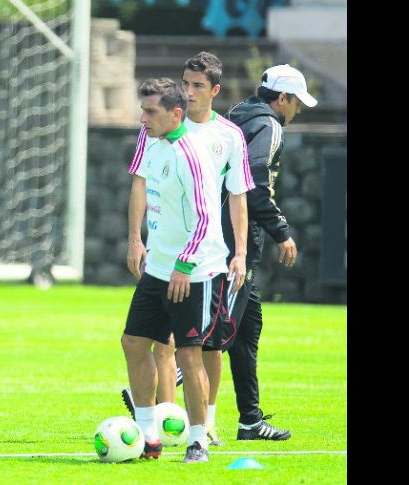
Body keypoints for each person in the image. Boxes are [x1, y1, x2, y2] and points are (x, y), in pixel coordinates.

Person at [121, 52, 254, 447]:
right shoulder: (151, 139)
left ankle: (199, 438)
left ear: (173, 114)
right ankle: (149, 432)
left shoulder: (198, 153)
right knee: (133, 342)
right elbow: (141, 185)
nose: (142, 120)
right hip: (158, 268)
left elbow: (207, 217)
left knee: (193, 354)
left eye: (149, 112)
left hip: (195, 271)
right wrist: (136, 240)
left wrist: (191, 263)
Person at [218, 64, 317, 441]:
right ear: (282, 98)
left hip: (224, 232)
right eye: (296, 103)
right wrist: (282, 233)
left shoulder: (238, 115)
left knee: (246, 330)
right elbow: (255, 186)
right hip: (238, 240)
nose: (297, 111)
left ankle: (250, 421)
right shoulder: (269, 126)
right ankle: (163, 382)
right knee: (219, 328)